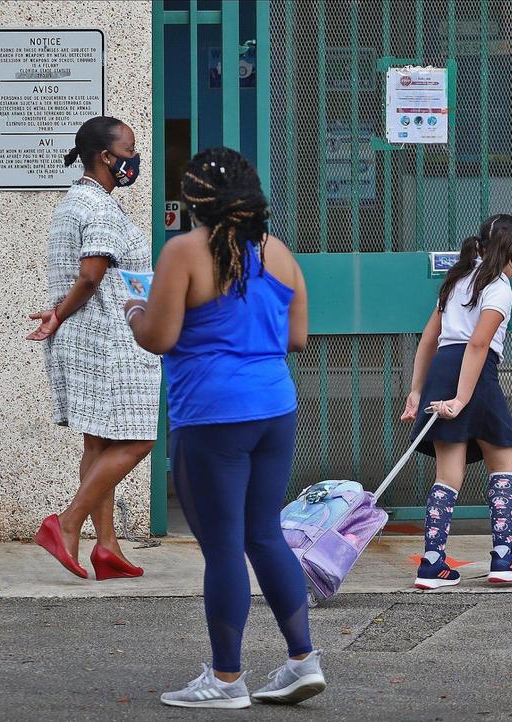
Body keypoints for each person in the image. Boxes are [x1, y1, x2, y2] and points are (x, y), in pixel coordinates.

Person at [126, 147, 324, 708]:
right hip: (274, 409)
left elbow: (159, 338)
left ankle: (227, 678)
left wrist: (133, 312)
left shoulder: (183, 252)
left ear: (193, 202)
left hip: (212, 414)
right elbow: (297, 338)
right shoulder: (278, 252)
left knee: (222, 548)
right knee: (264, 534)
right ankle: (302, 660)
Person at [28, 116, 158, 581]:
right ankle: (66, 524)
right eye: (129, 149)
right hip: (111, 341)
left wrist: (60, 314)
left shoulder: (75, 201)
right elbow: (90, 274)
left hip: (87, 338)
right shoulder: (100, 209)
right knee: (139, 438)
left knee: (98, 441)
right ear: (106, 156)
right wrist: (60, 313)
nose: (134, 157)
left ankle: (106, 547)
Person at [401, 214, 512, 590]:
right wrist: (462, 398)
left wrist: (418, 390)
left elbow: (429, 339)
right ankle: (504, 555)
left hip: (443, 370)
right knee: (503, 460)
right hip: (475, 374)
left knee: (448, 473)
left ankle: (431, 564)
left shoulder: (456, 279)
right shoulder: (498, 287)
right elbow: (478, 344)